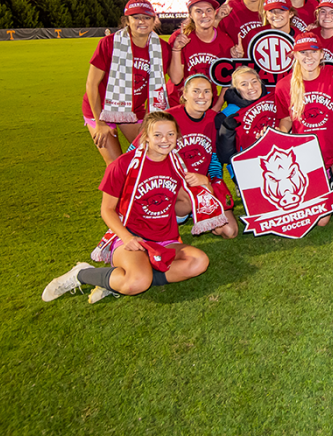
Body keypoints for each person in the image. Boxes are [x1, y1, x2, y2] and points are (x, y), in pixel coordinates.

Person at [42, 112, 212, 304]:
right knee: (136, 283)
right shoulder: (124, 164)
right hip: (132, 237)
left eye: (170, 134)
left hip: (165, 239)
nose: (165, 140)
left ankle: (116, 278)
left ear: (177, 136)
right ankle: (83, 273)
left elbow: (182, 210)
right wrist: (126, 237)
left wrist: (201, 185)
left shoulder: (177, 164)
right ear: (145, 136)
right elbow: (107, 210)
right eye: (157, 135)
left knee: (199, 262)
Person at [83, 0, 170, 165]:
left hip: (133, 110)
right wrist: (100, 123)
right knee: (116, 166)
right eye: (136, 17)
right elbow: (91, 84)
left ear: (154, 20)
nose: (141, 22)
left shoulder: (161, 48)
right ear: (127, 21)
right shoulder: (109, 43)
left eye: (146, 17)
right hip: (100, 109)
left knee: (152, 154)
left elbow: (162, 86)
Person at [275, 32, 333, 190]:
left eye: (313, 51)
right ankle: (325, 182)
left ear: (321, 54)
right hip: (304, 152)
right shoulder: (284, 86)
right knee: (316, 205)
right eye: (303, 52)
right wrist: (281, 135)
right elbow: (286, 118)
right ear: (295, 55)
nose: (309, 56)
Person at [167, 74, 237, 238]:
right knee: (186, 200)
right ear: (184, 94)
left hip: (201, 184)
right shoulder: (168, 118)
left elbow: (214, 157)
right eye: (196, 91)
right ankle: (166, 217)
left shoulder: (215, 119)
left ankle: (196, 212)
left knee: (230, 231)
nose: (202, 96)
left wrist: (211, 180)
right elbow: (135, 150)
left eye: (206, 91)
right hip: (172, 184)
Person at [167, 0, 232, 107]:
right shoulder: (181, 37)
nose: (204, 15)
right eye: (198, 11)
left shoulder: (225, 41)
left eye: (208, 10)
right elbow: (176, 79)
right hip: (178, 102)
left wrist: (215, 109)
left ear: (214, 12)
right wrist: (176, 49)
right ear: (191, 15)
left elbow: (227, 82)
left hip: (206, 102)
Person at [215, 66, 279, 182]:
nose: (251, 87)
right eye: (244, 84)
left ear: (260, 82)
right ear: (237, 89)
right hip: (247, 167)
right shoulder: (228, 114)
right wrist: (227, 130)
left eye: (254, 82)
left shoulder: (275, 98)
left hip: (278, 159)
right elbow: (224, 157)